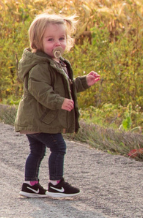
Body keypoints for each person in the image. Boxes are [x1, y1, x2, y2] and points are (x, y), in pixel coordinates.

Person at [13, 13, 103, 198]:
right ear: (37, 42)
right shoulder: (39, 67)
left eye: (61, 38)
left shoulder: (57, 63)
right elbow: (42, 93)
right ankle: (56, 184)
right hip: (39, 119)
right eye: (50, 39)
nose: (57, 43)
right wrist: (59, 102)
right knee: (58, 147)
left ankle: (30, 184)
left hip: (39, 119)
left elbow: (67, 87)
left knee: (37, 150)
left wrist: (85, 81)